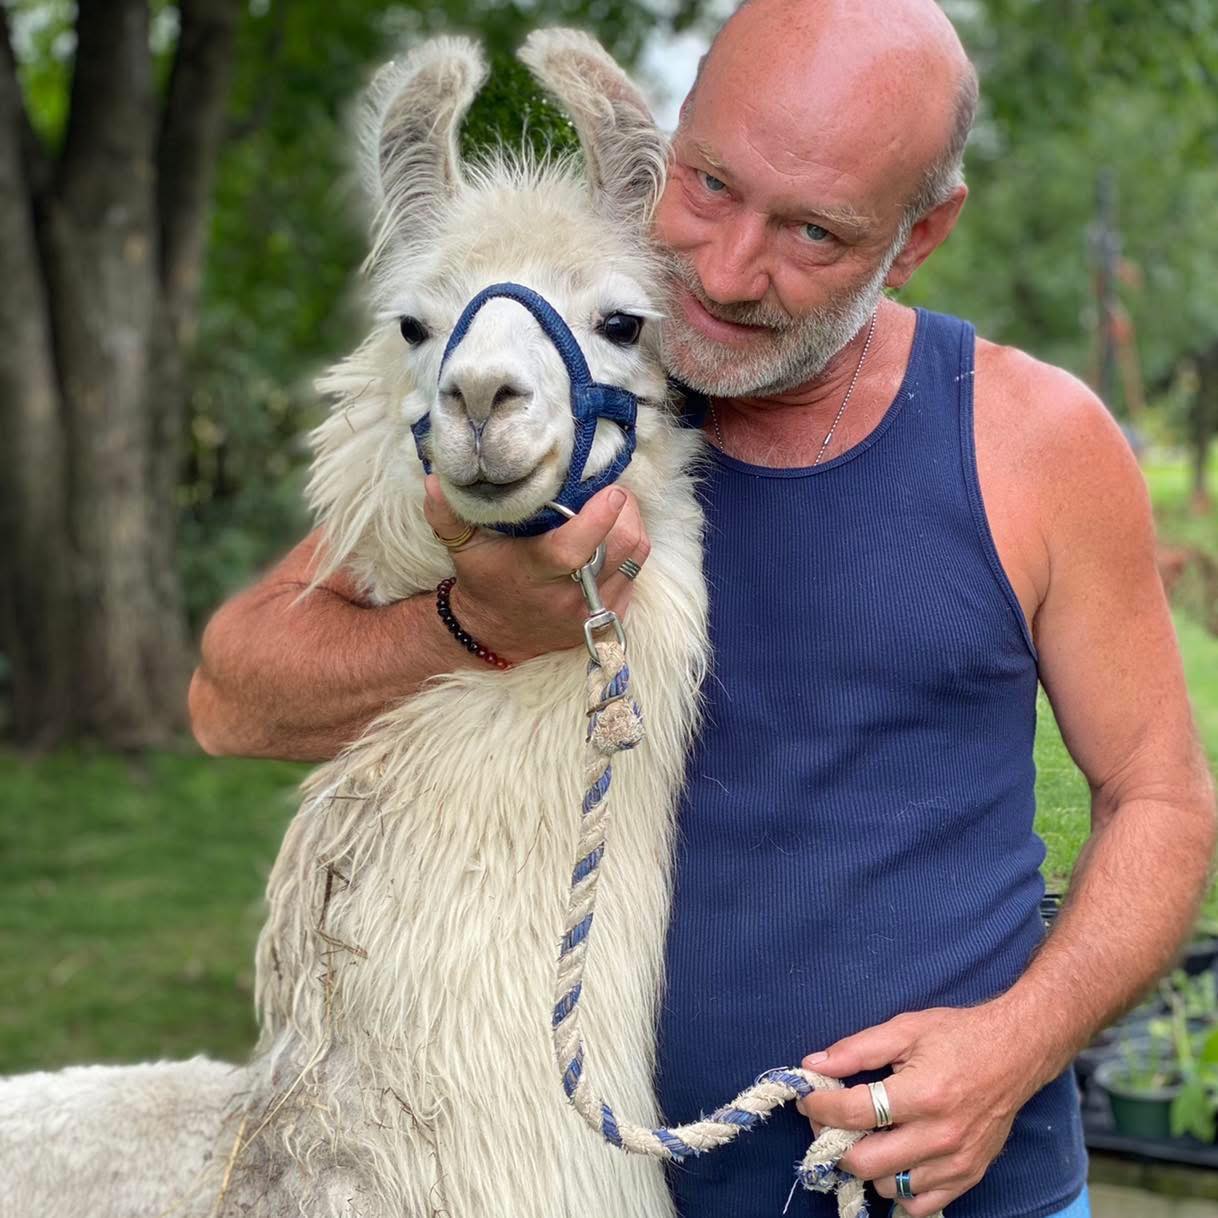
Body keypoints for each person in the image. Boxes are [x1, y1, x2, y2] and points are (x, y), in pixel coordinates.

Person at [189, 1, 1217, 1215]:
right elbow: (232, 695)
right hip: (598, 1179)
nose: (727, 274)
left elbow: (1161, 794)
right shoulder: (575, 397)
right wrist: (475, 627)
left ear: (922, 231)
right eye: (712, 185)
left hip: (965, 1192)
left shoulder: (1029, 441)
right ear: (673, 145)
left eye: (816, 232)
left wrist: (1019, 1047)